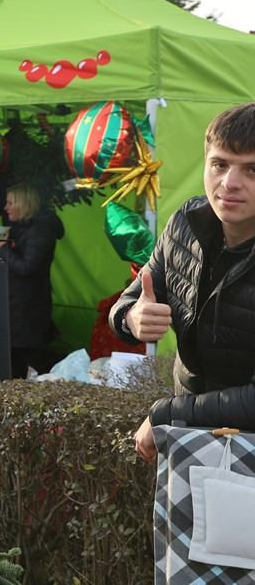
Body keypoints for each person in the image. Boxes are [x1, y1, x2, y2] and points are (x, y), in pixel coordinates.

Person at [110, 103, 255, 465]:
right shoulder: (186, 224)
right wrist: (133, 316)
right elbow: (129, 301)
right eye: (219, 164)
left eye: (252, 169)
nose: (229, 182)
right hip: (191, 444)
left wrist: (165, 415)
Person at [0, 182, 64, 378]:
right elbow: (7, 260)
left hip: (30, 307)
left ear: (23, 204)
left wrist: (2, 245)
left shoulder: (40, 232)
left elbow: (25, 268)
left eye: (10, 203)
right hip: (14, 305)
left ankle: (47, 392)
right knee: (13, 357)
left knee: (29, 355)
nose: (5, 207)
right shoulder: (19, 228)